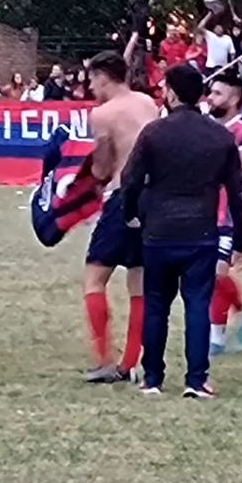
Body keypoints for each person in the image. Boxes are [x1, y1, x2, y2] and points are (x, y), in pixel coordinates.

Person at [120, 65, 242, 398]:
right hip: (201, 232)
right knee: (197, 306)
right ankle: (196, 380)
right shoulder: (220, 136)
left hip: (159, 230)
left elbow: (130, 180)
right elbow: (237, 191)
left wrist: (131, 214)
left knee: (156, 305)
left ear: (172, 93)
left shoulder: (154, 132)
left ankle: (153, 378)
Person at [80, 51, 160, 384]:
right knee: (139, 283)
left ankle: (105, 359)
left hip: (122, 196)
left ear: (102, 76)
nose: (89, 85)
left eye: (91, 79)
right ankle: (131, 362)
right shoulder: (147, 103)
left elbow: (101, 168)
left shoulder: (103, 114)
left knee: (94, 278)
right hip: (154, 198)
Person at [205, 74, 242, 356]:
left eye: (217, 93)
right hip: (204, 210)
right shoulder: (205, 127)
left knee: (217, 271)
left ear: (235, 98)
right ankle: (222, 331)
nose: (210, 98)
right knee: (208, 272)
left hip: (230, 213)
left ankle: (227, 326)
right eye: (210, 93)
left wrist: (209, 152)